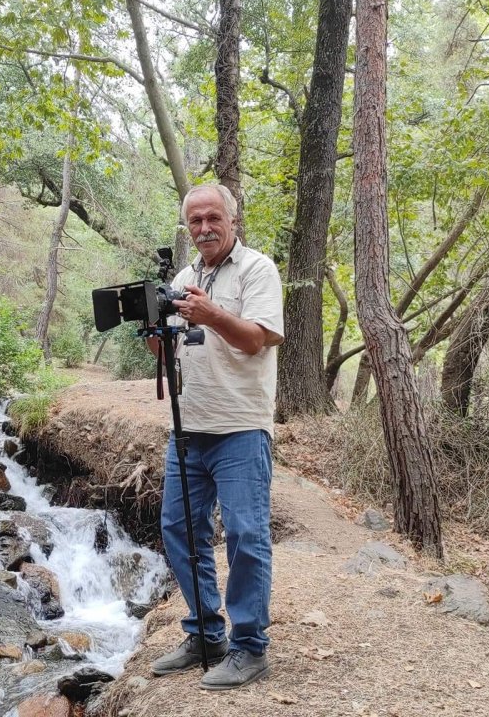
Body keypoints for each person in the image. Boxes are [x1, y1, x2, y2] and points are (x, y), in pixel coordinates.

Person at [148, 183, 284, 690]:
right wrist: (156, 335)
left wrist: (212, 314)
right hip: (188, 429)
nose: (203, 228)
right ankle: (206, 634)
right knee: (180, 531)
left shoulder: (257, 270)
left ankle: (250, 647)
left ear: (232, 219)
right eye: (195, 221)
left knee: (247, 537)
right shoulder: (183, 278)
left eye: (212, 219)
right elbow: (172, 357)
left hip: (241, 428)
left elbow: (256, 340)